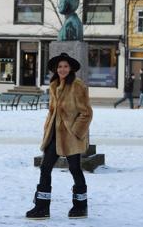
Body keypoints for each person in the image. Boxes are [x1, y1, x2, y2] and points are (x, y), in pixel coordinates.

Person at [26, 52, 93, 220]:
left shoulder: (78, 85)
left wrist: (76, 132)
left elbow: (87, 113)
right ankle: (42, 207)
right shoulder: (55, 85)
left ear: (70, 69)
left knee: (75, 169)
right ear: (56, 69)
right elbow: (52, 112)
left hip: (71, 136)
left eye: (65, 66)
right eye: (60, 67)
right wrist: (47, 127)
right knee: (45, 168)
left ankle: (80, 207)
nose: (62, 69)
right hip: (54, 135)